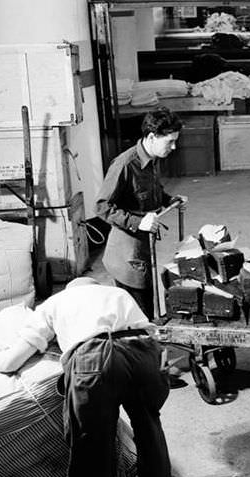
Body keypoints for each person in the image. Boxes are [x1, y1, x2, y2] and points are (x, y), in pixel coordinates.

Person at [0, 277, 175, 477]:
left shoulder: (54, 303)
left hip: (96, 358)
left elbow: (9, 362)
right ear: (96, 286)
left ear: (69, 289)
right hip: (147, 353)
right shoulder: (119, 295)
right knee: (150, 433)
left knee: (92, 452)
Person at [96, 107, 187, 319]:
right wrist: (138, 222)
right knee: (139, 314)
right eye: (170, 142)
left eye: (175, 141)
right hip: (127, 254)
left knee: (148, 300)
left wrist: (170, 200)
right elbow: (101, 207)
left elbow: (152, 190)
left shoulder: (152, 158)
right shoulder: (125, 165)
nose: (174, 147)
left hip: (145, 246)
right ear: (152, 136)